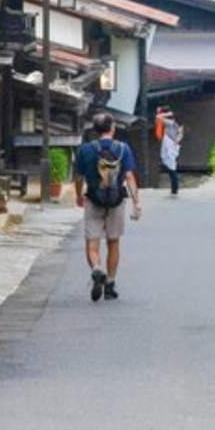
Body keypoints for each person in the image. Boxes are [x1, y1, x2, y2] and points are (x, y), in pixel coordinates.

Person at [73, 112, 142, 302]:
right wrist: (137, 202)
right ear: (112, 128)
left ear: (95, 130)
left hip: (94, 199)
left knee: (92, 243)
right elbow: (129, 177)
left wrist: (79, 195)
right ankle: (110, 285)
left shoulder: (85, 150)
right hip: (116, 201)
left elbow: (78, 178)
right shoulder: (123, 149)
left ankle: (96, 268)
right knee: (113, 242)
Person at [157, 107, 185, 197]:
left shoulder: (170, 122)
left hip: (170, 145)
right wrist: (176, 142)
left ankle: (174, 190)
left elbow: (158, 117)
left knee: (171, 169)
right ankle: (174, 189)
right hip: (173, 146)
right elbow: (180, 135)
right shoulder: (178, 125)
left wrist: (167, 113)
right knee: (172, 168)